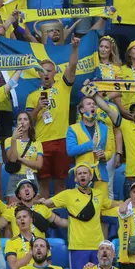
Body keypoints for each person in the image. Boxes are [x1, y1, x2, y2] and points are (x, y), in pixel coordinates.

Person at [25, 38, 80, 196]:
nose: (46, 74)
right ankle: (44, 217)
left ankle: (58, 216)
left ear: (55, 72)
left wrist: (75, 48)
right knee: (42, 183)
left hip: (62, 139)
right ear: (38, 74)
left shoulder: (63, 86)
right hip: (42, 143)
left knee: (60, 183)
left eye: (49, 70)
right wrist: (38, 108)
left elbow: (72, 66)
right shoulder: (33, 96)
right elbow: (28, 121)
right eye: (43, 71)